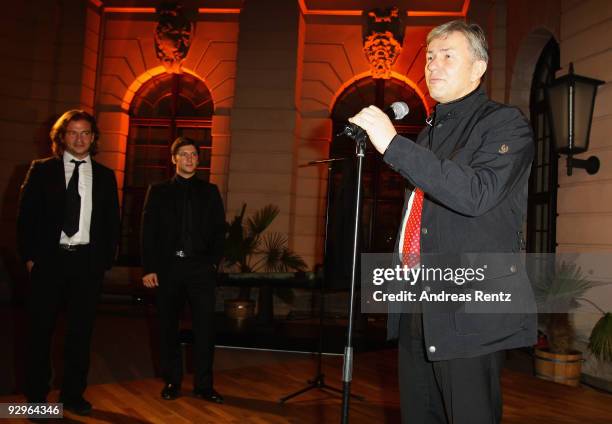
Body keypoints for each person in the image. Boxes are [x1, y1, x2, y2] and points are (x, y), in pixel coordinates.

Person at [349, 20, 536, 423]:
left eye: (448, 55)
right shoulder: (428, 137)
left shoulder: (504, 124)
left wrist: (393, 145)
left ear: (479, 67)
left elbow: (475, 194)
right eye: (431, 57)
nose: (433, 65)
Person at [17, 109, 120, 415]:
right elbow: (25, 219)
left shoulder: (105, 176)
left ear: (94, 138)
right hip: (49, 263)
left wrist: (104, 262)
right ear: (61, 137)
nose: (79, 138)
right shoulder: (40, 170)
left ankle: (73, 396)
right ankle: (36, 400)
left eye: (85, 133)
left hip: (86, 266)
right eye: (73, 132)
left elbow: (112, 222)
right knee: (40, 334)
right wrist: (30, 259)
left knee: (80, 335)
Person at [141, 137, 225, 403]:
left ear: (198, 160)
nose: (189, 159)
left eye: (193, 155)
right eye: (184, 154)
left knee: (205, 328)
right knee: (168, 328)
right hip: (168, 269)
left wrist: (213, 262)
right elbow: (148, 233)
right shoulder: (158, 190)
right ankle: (172, 381)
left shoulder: (210, 191)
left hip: (200, 268)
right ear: (174, 158)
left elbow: (219, 231)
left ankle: (204, 385)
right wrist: (149, 268)